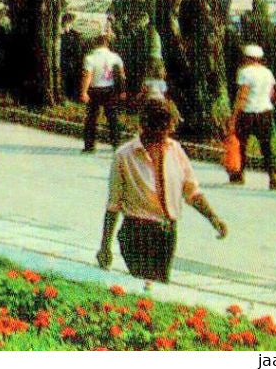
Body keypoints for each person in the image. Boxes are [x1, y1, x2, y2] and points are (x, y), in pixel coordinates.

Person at [97, 99, 227, 286]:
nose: (169, 132)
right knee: (144, 285)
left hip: (167, 233)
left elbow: (192, 191)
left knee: (160, 285)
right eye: (164, 128)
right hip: (137, 232)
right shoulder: (124, 155)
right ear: (148, 126)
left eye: (170, 127)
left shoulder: (175, 150)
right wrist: (105, 246)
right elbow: (113, 204)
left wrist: (213, 218)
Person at [229, 44, 276, 190]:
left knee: (242, 144)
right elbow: (272, 93)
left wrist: (234, 116)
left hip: (248, 113)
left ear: (247, 58)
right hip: (265, 112)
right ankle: (272, 177)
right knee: (266, 146)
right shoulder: (267, 72)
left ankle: (240, 174)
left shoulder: (245, 72)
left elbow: (242, 95)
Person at [80, 33, 126, 153]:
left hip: (95, 90)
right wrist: (122, 90)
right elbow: (122, 75)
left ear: (95, 43)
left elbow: (88, 75)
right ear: (107, 44)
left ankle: (89, 146)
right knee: (113, 118)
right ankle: (116, 144)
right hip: (110, 89)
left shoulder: (90, 58)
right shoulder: (115, 57)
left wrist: (84, 91)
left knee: (91, 119)